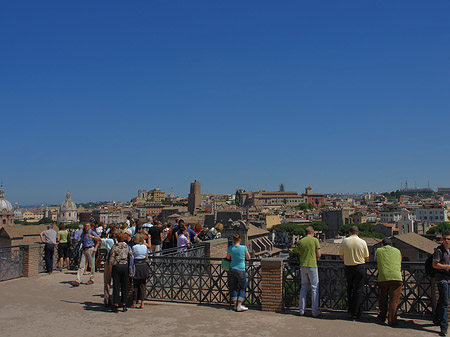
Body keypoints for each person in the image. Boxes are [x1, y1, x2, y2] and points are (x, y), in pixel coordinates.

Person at [339, 226, 369, 320]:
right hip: (360, 267)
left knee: (350, 289)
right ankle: (356, 313)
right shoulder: (363, 242)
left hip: (348, 267)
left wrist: (349, 258)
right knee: (358, 290)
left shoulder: (345, 241)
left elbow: (341, 256)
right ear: (357, 233)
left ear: (350, 232)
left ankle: (350, 310)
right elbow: (366, 257)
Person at [374, 238, 402, 326]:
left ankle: (382, 315)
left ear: (382, 244)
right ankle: (392, 320)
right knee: (394, 300)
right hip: (397, 277)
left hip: (383, 277)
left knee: (383, 297)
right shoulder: (398, 251)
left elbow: (375, 259)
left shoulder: (379, 250)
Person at [90, 226, 117, 307]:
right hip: (117, 262)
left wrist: (91, 236)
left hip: (109, 262)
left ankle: (107, 299)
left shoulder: (109, 240)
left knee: (107, 281)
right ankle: (116, 299)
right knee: (116, 282)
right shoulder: (118, 241)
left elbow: (99, 240)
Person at [298, 226, 321, 317]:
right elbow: (318, 254)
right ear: (312, 232)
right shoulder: (315, 240)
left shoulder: (301, 241)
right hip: (312, 265)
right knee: (314, 288)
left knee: (303, 287)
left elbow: (299, 253)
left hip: (303, 266)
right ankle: (314, 311)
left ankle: (301, 310)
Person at [226, 233, 251, 312]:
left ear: (233, 240)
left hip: (232, 269)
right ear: (240, 239)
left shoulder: (230, 248)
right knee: (242, 287)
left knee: (233, 287)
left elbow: (228, 257)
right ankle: (239, 305)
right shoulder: (244, 248)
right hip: (241, 269)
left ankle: (235, 305)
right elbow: (248, 257)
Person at [109, 231, 132, 313]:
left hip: (117, 266)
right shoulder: (127, 246)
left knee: (116, 285)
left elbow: (111, 259)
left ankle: (115, 304)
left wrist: (111, 265)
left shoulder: (115, 247)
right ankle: (124, 304)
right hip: (125, 266)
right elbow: (131, 255)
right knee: (124, 285)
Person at [71, 221, 100, 286]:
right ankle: (78, 280)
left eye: (88, 226)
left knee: (92, 265)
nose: (86, 227)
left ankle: (92, 279)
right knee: (81, 265)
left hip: (91, 248)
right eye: (85, 226)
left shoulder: (92, 232)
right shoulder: (84, 233)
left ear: (90, 227)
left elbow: (99, 239)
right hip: (84, 249)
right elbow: (81, 241)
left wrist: (95, 247)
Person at [433, 231, 450, 336]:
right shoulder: (439, 251)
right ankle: (444, 325)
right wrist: (447, 267)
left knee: (443, 300)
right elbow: (435, 265)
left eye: (448, 239)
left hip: (449, 278)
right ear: (442, 239)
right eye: (445, 239)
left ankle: (436, 318)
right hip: (441, 279)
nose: (447, 241)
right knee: (445, 302)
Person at [132, 233, 150, 309]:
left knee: (135, 285)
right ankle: (142, 302)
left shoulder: (134, 247)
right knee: (142, 285)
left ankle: (134, 302)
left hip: (136, 265)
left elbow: (132, 256)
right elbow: (146, 256)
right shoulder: (144, 247)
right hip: (143, 265)